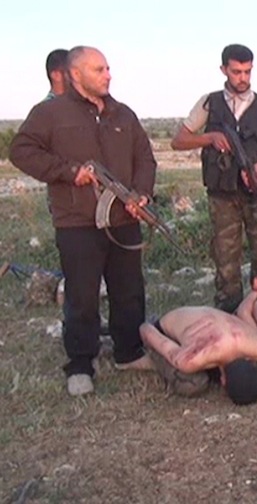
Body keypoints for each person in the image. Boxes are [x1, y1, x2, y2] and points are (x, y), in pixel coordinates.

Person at [10, 46, 157, 396]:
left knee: (129, 290)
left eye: (107, 68)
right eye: (99, 69)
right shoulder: (50, 113)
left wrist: (141, 194)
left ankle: (128, 352)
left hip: (123, 218)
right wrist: (68, 172)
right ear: (75, 74)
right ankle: (80, 363)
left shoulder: (123, 114)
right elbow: (22, 151)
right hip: (76, 222)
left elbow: (145, 158)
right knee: (82, 295)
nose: (108, 74)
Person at [171, 44, 257, 314]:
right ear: (223, 69)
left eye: (247, 72)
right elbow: (178, 140)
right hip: (222, 195)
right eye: (236, 72)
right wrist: (209, 137)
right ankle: (229, 316)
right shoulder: (209, 102)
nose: (243, 78)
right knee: (226, 259)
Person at [139, 307, 257, 405]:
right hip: (166, 327)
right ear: (223, 382)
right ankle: (153, 360)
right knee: (191, 383)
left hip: (201, 316)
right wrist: (146, 329)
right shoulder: (189, 360)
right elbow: (147, 331)